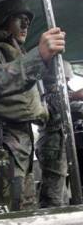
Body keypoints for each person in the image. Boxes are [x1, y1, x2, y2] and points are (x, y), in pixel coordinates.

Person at [0, 0, 66, 213]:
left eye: (28, 21)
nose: (25, 25)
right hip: (0, 146)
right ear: (3, 21)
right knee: (4, 215)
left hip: (22, 146)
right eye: (19, 19)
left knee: (24, 212)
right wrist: (38, 56)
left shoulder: (18, 54)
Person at [36, 61, 75, 208]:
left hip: (57, 145)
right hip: (51, 145)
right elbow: (52, 108)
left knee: (61, 192)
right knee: (53, 194)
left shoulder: (62, 90)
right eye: (65, 78)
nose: (68, 81)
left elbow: (75, 107)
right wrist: (75, 96)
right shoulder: (44, 89)